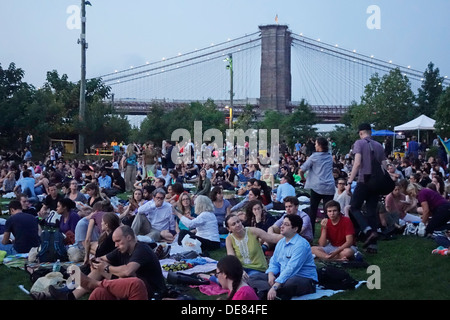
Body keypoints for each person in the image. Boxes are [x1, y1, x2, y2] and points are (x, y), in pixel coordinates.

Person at [50, 225, 166, 300]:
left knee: (122, 273)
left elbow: (127, 271)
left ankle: (87, 285)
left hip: (147, 290)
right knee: (100, 267)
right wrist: (95, 262)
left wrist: (106, 268)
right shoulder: (121, 249)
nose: (116, 245)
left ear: (129, 238)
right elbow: (102, 258)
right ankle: (71, 296)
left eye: (118, 241)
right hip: (129, 284)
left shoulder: (141, 249)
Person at [248, 214, 318, 300]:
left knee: (290, 283)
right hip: (282, 274)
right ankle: (273, 292)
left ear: (295, 229)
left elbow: (292, 268)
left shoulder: (301, 245)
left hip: (302, 277)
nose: (282, 226)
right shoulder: (281, 242)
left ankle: (269, 291)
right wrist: (271, 274)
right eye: (282, 224)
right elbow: (274, 262)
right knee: (252, 278)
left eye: (286, 224)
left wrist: (275, 286)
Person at [347, 123, 387, 254]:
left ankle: (368, 231)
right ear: (371, 132)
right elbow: (384, 166)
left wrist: (350, 181)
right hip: (376, 182)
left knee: (353, 207)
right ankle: (373, 246)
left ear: (360, 133)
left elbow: (357, 163)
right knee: (371, 211)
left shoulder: (359, 143)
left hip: (364, 180)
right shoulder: (379, 145)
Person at [299, 137, 336, 235]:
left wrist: (303, 179)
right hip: (329, 186)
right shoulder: (329, 156)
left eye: (315, 144)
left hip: (317, 186)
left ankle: (311, 233)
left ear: (319, 145)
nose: (315, 145)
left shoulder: (314, 156)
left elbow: (301, 170)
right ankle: (330, 234)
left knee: (313, 211)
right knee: (329, 212)